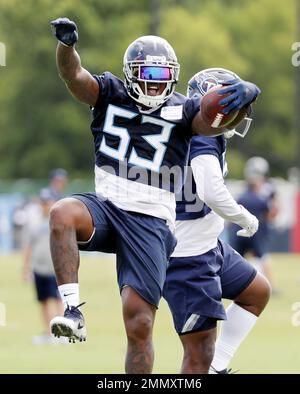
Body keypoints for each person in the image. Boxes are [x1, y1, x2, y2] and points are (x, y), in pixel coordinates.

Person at [48, 17, 260, 374]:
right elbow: (74, 76)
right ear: (130, 72)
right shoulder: (110, 92)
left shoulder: (184, 110)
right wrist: (66, 47)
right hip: (109, 207)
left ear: (173, 76)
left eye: (161, 76)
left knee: (140, 325)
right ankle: (72, 310)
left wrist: (245, 94)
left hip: (150, 222)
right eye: (147, 74)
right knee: (61, 213)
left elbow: (214, 122)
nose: (153, 83)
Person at [163, 68, 270, 374]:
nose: (238, 116)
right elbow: (211, 191)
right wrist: (245, 218)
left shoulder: (191, 125)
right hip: (187, 255)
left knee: (256, 292)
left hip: (206, 245)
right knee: (197, 355)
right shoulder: (203, 136)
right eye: (232, 109)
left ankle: (217, 369)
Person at [229, 157, 279, 289]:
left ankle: (233, 284)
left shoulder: (265, 189)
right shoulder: (256, 193)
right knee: (261, 257)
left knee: (236, 259)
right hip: (254, 229)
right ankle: (270, 286)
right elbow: (272, 212)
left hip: (246, 229)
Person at [23, 188, 65, 345]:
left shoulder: (60, 221)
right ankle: (48, 333)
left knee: (58, 300)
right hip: (39, 268)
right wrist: (25, 269)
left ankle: (61, 332)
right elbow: (28, 247)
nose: (45, 205)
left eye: (47, 202)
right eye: (43, 202)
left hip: (56, 268)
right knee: (44, 301)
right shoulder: (34, 224)